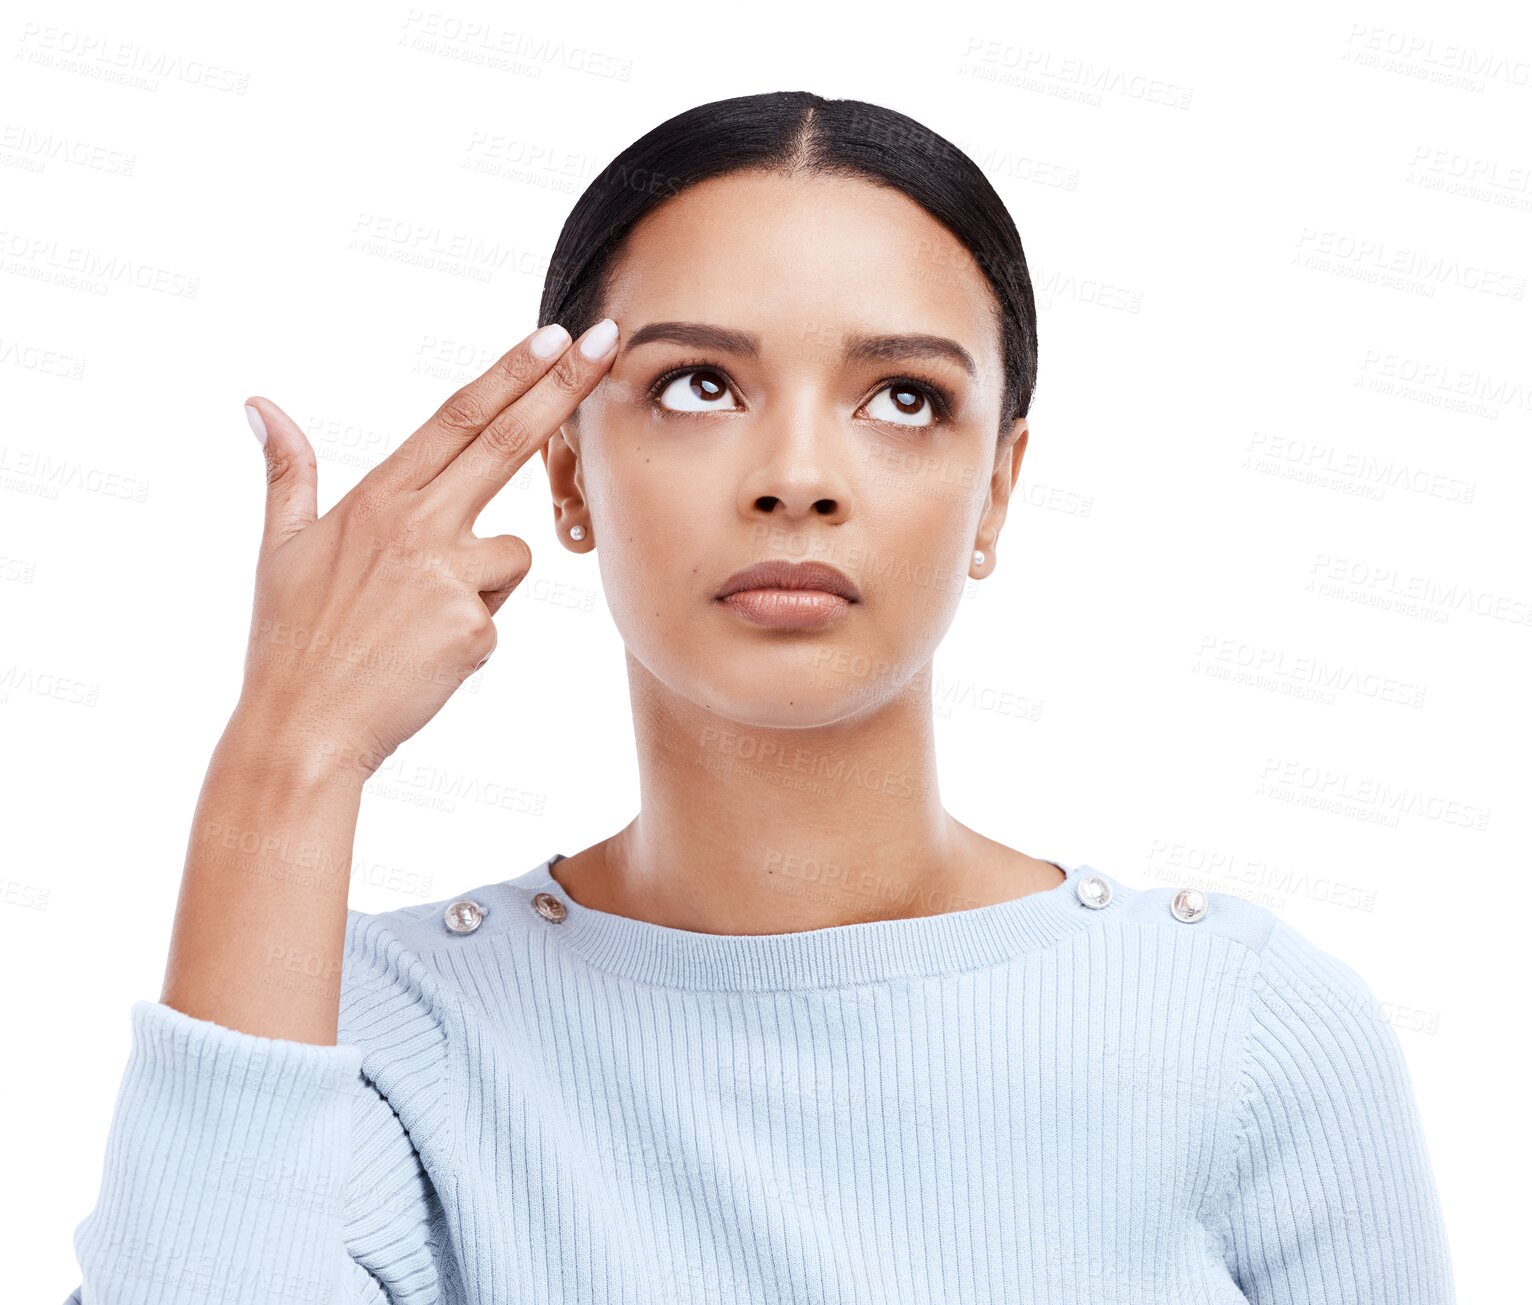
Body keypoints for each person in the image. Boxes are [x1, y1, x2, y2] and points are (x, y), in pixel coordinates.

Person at [63, 90, 1455, 1303]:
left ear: (1000, 489)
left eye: (903, 397)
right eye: (698, 384)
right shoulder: (377, 1032)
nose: (798, 472)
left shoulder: (1244, 1027)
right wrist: (290, 747)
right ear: (565, 477)